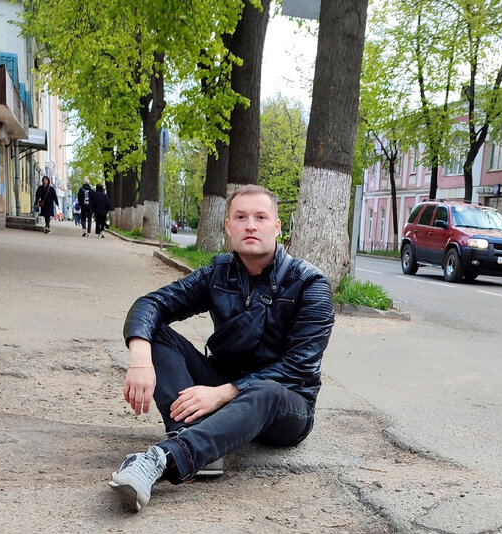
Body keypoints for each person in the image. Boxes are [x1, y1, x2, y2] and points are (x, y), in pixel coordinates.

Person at [108, 184, 334, 512]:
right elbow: (153, 303)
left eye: (260, 217)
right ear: (228, 227)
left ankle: (164, 457)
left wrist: (225, 393)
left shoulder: (309, 284)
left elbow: (299, 367)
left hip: (286, 406)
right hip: (222, 382)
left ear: (277, 226)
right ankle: (199, 447)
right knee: (154, 332)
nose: (251, 225)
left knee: (266, 391)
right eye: (241, 217)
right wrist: (141, 358)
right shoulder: (219, 273)